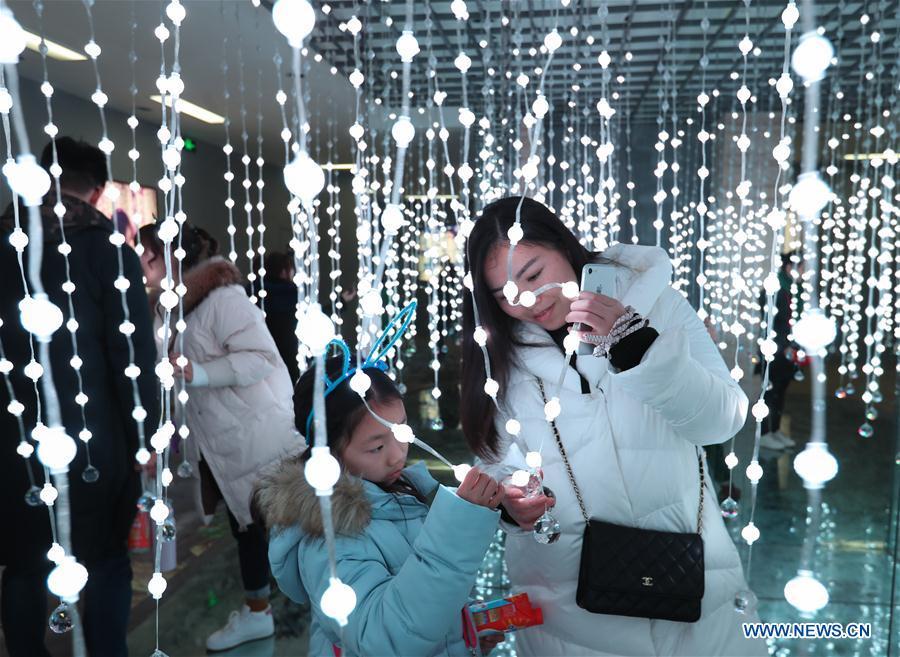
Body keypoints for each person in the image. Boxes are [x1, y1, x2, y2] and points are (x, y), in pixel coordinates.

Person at [460, 196, 767, 657]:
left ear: (564, 247)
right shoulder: (497, 354)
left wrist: (639, 351)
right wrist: (512, 507)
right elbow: (497, 461)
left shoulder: (657, 306)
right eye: (505, 296)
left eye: (533, 275)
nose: (526, 300)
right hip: (568, 604)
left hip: (689, 577)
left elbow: (723, 419)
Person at [0, 137, 158, 657]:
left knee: (23, 563)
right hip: (96, 444)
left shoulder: (6, 244)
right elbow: (132, 355)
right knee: (108, 559)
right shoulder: (106, 250)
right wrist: (145, 435)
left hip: (15, 443)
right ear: (95, 192)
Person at [254, 357, 506, 657]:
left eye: (402, 432)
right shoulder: (328, 537)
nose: (398, 455)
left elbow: (415, 588)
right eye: (376, 447)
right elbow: (385, 639)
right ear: (330, 455)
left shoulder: (398, 494)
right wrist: (455, 532)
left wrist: (462, 629)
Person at [139, 223, 298, 651]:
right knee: (248, 526)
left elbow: (262, 357)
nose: (143, 262)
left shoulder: (222, 299)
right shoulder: (167, 310)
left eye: (150, 253)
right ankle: (259, 611)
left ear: (173, 256)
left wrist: (201, 373)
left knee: (279, 524)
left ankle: (281, 609)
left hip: (256, 433)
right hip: (220, 441)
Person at [756, 251, 801, 451]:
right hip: (774, 349)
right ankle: (765, 433)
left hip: (787, 349)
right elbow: (773, 321)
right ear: (789, 267)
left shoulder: (792, 289)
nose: (803, 272)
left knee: (780, 391)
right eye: (801, 268)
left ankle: (774, 430)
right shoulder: (775, 288)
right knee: (770, 392)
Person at [253, 250, 300, 384]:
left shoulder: (253, 293)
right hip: (289, 361)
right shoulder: (292, 296)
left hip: (258, 361)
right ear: (283, 271)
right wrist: (341, 301)